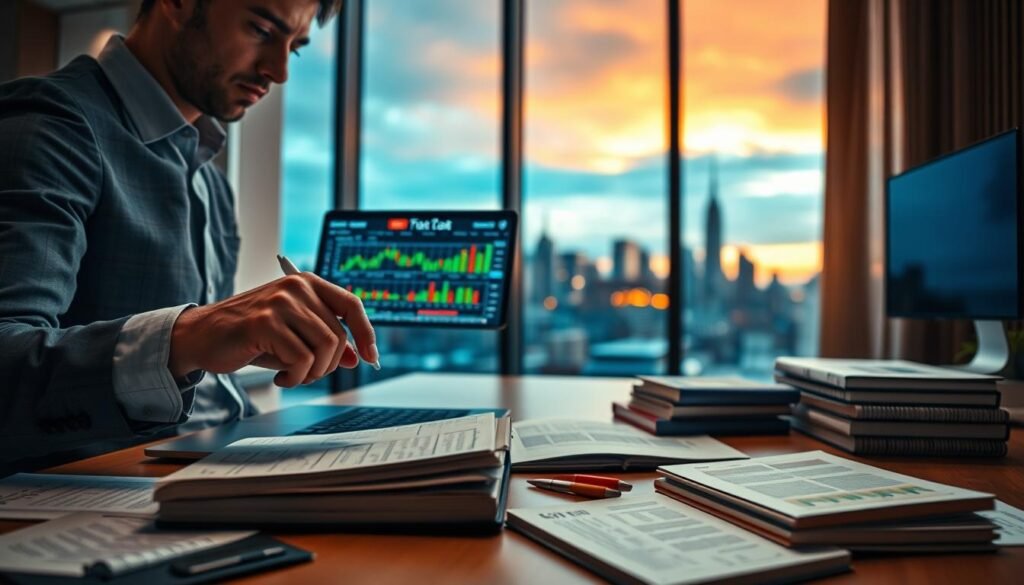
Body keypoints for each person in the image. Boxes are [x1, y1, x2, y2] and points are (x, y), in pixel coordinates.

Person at [0, 0, 376, 467]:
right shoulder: (51, 125)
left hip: (211, 462)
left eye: (294, 49)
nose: (278, 71)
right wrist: (193, 335)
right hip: (106, 491)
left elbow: (211, 394)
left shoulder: (211, 181)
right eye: (260, 30)